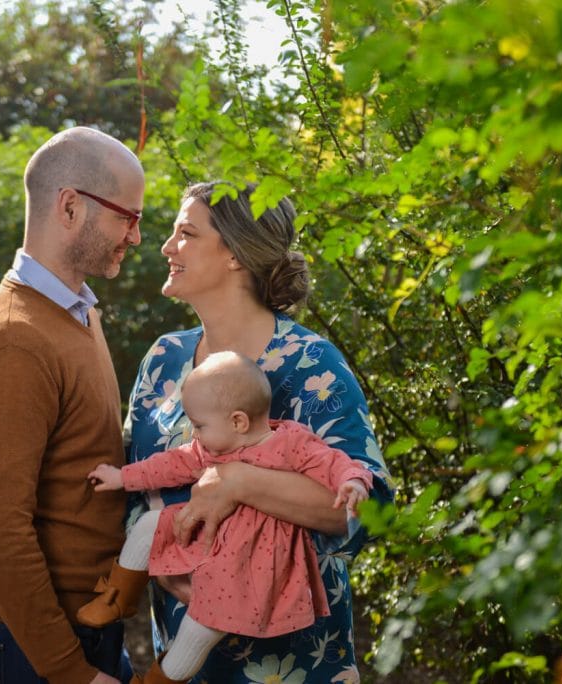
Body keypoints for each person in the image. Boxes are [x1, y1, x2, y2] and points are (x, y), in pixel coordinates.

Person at [123, 181, 395, 683]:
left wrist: (238, 482)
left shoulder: (311, 366)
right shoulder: (163, 358)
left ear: (234, 254)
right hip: (181, 655)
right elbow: (134, 490)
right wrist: (163, 562)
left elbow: (369, 508)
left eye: (186, 234)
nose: (166, 247)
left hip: (294, 662)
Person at [0, 126, 145, 684]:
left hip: (89, 630)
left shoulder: (79, 312)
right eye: (127, 217)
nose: (135, 237)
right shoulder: (14, 338)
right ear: (69, 207)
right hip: (38, 652)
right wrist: (70, 671)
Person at [78, 350, 374, 684]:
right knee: (149, 526)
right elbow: (170, 464)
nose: (194, 434)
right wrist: (122, 477)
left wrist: (352, 482)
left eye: (199, 425)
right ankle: (118, 597)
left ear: (238, 422)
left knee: (196, 633)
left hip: (250, 564)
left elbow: (334, 462)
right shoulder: (210, 447)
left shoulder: (291, 442)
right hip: (209, 537)